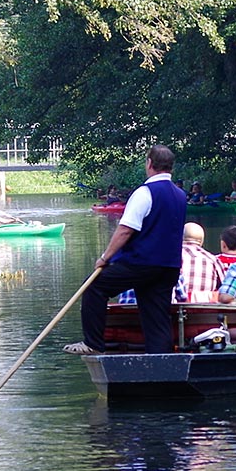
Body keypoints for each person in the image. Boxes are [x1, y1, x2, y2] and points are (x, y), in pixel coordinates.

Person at [68, 145, 187, 355]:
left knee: (94, 286)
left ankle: (93, 343)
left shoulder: (145, 192)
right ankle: (161, 362)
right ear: (171, 167)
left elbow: (125, 230)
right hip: (169, 266)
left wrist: (105, 258)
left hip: (142, 263)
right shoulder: (180, 195)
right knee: (156, 315)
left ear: (149, 163)